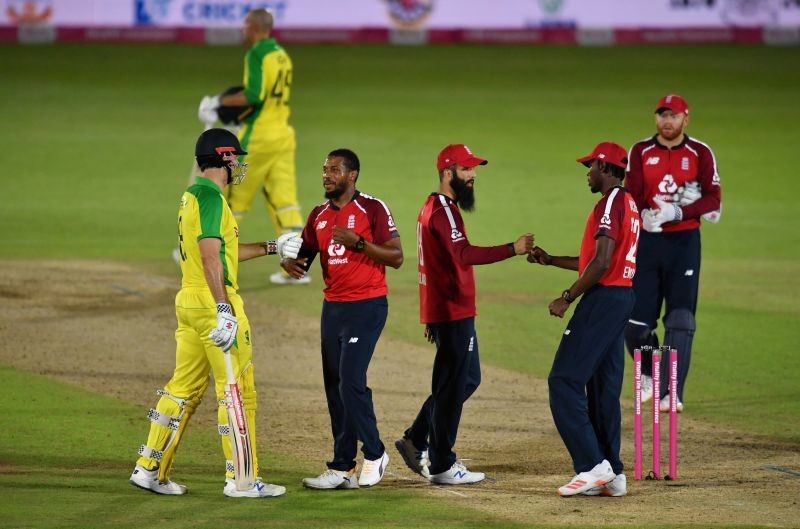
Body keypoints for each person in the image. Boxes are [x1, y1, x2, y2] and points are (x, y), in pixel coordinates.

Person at [129, 128, 302, 498]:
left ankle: (149, 469)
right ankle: (241, 480)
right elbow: (211, 255)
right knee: (237, 392)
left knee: (183, 389)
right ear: (223, 158)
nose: (239, 163)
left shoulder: (192, 196)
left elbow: (224, 251)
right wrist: (224, 307)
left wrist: (274, 246)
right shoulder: (211, 198)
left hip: (189, 301)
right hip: (213, 304)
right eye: (235, 157)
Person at [394, 144, 534, 485]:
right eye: (466, 169)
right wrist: (511, 249)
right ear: (447, 173)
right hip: (452, 312)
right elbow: (463, 254)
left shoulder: (436, 206)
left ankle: (416, 438)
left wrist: (431, 313)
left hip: (448, 311)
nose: (473, 176)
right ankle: (442, 463)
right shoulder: (442, 210)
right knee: (453, 386)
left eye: (474, 170)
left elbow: (435, 262)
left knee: (462, 381)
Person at [279, 149, 403, 490]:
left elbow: (397, 257)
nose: (326, 175)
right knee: (335, 386)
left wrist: (360, 243)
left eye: (334, 170)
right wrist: (289, 264)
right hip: (332, 309)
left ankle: (376, 454)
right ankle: (342, 466)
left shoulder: (372, 208)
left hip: (367, 306)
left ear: (353, 175)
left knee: (350, 379)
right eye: (324, 170)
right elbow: (302, 255)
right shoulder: (318, 215)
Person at [528, 141, 639, 497]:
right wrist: (551, 261)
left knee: (563, 380)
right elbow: (597, 258)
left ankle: (592, 465)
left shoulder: (609, 203)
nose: (587, 175)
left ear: (605, 167)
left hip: (603, 299)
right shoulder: (629, 203)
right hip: (622, 297)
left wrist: (567, 296)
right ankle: (613, 472)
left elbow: (602, 262)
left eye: (590, 167)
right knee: (603, 387)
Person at [625, 94, 722, 413]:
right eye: (663, 115)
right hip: (648, 242)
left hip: (684, 244)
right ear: (656, 119)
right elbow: (633, 193)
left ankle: (672, 392)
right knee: (636, 320)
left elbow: (713, 199)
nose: (668, 121)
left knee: (680, 320)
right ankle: (650, 375)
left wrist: (678, 213)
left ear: (686, 119)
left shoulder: (700, 152)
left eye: (674, 116)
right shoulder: (640, 150)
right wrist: (645, 216)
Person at [198, 8, 308, 285]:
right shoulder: (282, 55)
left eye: (246, 23)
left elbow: (254, 96)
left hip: (257, 139)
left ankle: (210, 254)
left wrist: (218, 103)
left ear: (256, 26)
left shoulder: (257, 53)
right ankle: (297, 269)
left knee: (233, 197)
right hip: (283, 137)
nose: (243, 28)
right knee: (285, 203)